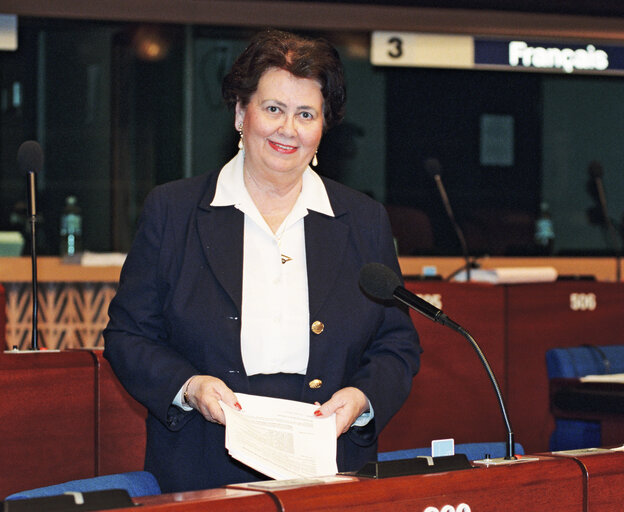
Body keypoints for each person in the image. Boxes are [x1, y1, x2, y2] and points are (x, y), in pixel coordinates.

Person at [103, 29, 421, 494]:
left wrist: (361, 398)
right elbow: (128, 336)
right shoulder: (173, 211)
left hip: (330, 466)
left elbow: (397, 344)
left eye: (306, 114)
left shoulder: (363, 219)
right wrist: (188, 386)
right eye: (273, 109)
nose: (288, 129)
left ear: (323, 126)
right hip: (202, 463)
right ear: (240, 113)